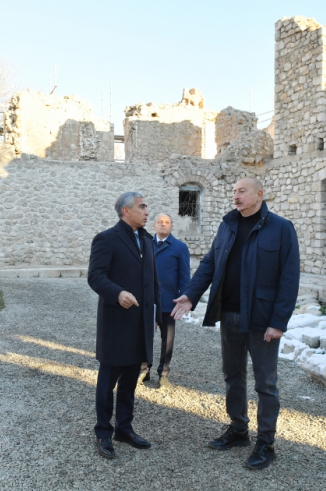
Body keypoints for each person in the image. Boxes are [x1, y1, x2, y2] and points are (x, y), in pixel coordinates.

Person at [171, 177, 300, 470]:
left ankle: (266, 442)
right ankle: (238, 430)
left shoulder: (281, 228)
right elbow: (209, 264)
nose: (236, 196)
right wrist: (190, 295)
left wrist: (279, 322)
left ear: (259, 195)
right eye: (234, 191)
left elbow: (290, 278)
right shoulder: (227, 225)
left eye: (242, 191)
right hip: (229, 314)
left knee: (265, 383)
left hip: (262, 319)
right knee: (232, 375)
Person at [88, 191, 162, 459]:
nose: (146, 212)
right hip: (116, 323)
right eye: (142, 207)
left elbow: (153, 281)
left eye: (146, 206)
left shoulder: (147, 240)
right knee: (108, 382)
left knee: (131, 380)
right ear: (125, 211)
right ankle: (103, 432)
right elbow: (95, 277)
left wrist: (156, 314)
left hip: (140, 323)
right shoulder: (106, 239)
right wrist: (117, 293)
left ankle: (124, 428)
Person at [138, 213, 190, 389]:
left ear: (171, 227)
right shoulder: (145, 245)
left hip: (169, 302)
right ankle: (143, 370)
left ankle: (164, 374)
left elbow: (184, 277)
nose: (163, 225)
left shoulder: (180, 248)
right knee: (145, 337)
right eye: (159, 222)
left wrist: (183, 300)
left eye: (167, 222)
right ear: (154, 226)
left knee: (167, 340)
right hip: (148, 302)